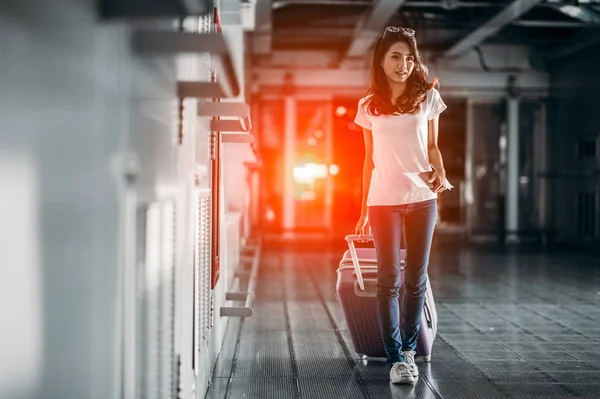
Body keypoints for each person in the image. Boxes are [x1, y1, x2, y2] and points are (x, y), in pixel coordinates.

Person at [353, 26, 451, 385]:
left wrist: (440, 172)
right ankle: (395, 359)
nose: (403, 64)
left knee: (416, 279)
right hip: (383, 202)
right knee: (388, 280)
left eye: (409, 58)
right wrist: (363, 210)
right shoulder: (368, 106)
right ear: (381, 60)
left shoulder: (427, 97)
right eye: (395, 56)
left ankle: (409, 350)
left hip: (423, 199)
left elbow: (433, 147)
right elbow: (368, 161)